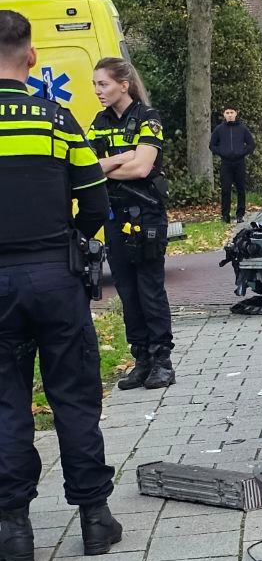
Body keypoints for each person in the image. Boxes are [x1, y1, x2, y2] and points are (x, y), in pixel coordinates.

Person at [0, 10, 123, 561]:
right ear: (31, 57)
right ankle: (95, 518)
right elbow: (95, 201)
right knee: (73, 395)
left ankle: (14, 530)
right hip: (56, 275)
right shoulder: (57, 119)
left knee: (5, 402)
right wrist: (71, 240)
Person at [88, 56, 176, 390]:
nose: (97, 90)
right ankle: (141, 360)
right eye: (95, 85)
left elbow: (142, 168)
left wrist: (111, 164)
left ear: (123, 85)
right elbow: (89, 168)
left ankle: (162, 361)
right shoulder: (99, 122)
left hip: (146, 214)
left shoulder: (148, 118)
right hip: (115, 214)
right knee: (126, 290)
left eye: (103, 84)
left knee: (149, 289)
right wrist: (125, 156)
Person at [209, 106, 255, 223]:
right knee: (225, 189)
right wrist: (222, 153)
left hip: (239, 162)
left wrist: (241, 153)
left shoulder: (242, 129)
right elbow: (212, 145)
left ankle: (240, 214)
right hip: (226, 163)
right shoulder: (219, 129)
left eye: (232, 112)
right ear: (224, 114)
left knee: (241, 189)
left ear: (236, 114)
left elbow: (251, 144)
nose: (229, 115)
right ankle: (225, 215)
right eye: (227, 112)